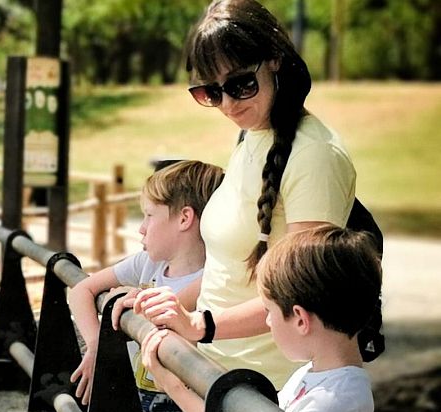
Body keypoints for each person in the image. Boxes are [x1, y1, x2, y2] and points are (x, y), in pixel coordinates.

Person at [133, 0, 358, 391]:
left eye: (240, 85)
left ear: (274, 60)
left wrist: (200, 326)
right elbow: (227, 271)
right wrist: (163, 303)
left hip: (269, 393)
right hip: (213, 374)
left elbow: (303, 292)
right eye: (211, 92)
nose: (228, 104)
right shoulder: (252, 136)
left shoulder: (314, 155)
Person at [141, 225, 381, 412]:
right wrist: (174, 387)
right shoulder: (312, 376)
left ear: (301, 319)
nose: (267, 322)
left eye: (269, 311)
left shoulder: (335, 402)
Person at [68, 159, 224, 412]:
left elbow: (158, 312)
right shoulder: (148, 265)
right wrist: (97, 347)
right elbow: (80, 290)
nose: (140, 229)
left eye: (149, 216)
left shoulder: (214, 280)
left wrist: (131, 301)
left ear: (185, 218)